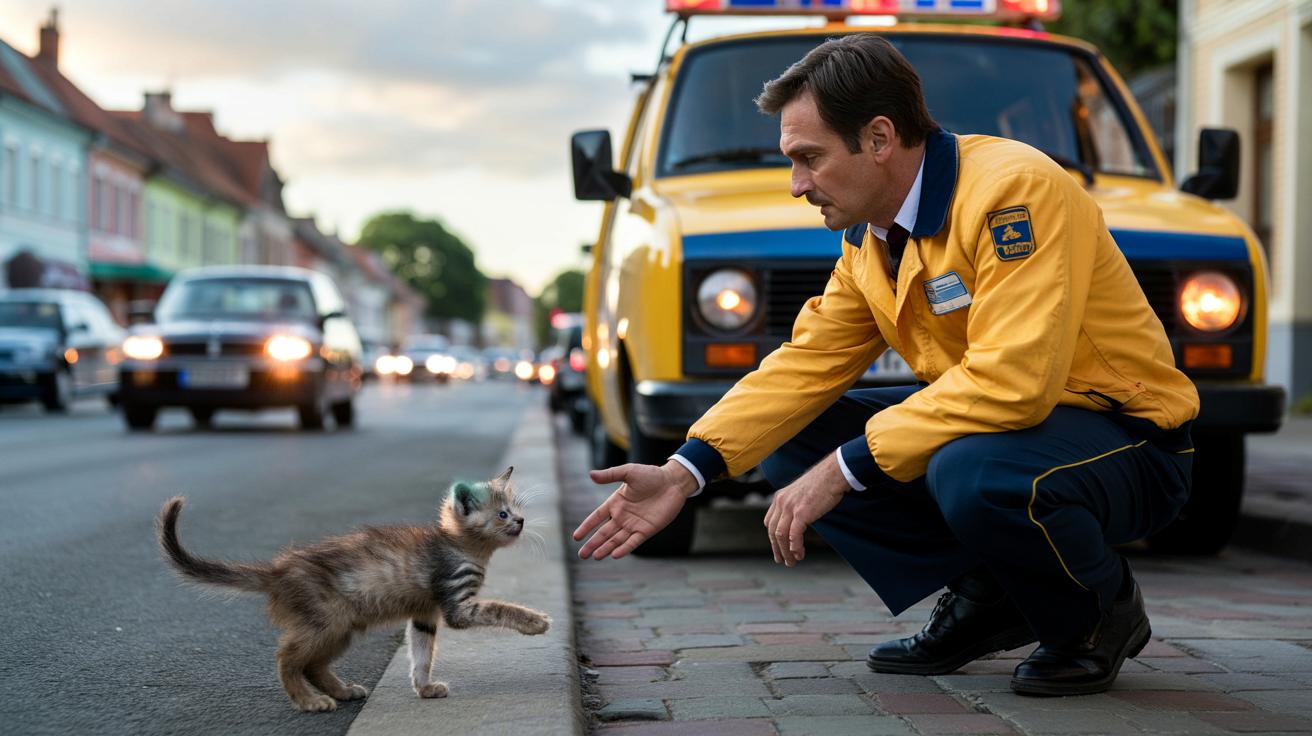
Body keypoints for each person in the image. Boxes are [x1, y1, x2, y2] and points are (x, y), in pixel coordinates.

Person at [572, 34, 1198, 697]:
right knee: (802, 439)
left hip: (1129, 441)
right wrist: (685, 471)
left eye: (808, 158)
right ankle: (996, 593)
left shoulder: (1015, 191)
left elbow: (1014, 382)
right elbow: (804, 367)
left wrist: (843, 469)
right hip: (1010, 433)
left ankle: (1097, 615)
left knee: (972, 471)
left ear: (878, 138)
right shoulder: (870, 240)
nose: (796, 186)